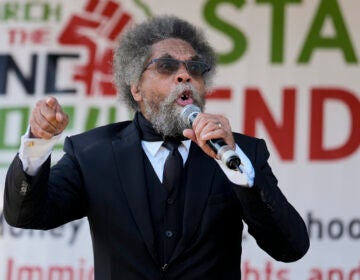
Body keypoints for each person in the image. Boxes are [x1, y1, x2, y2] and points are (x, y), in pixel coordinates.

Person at [4, 15, 309, 279]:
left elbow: (291, 247)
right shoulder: (91, 153)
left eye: (195, 67)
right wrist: (38, 144)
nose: (184, 74)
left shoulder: (242, 152)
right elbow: (26, 216)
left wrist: (237, 168)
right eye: (166, 66)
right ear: (135, 88)